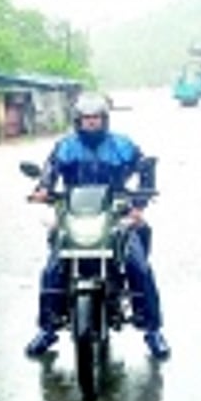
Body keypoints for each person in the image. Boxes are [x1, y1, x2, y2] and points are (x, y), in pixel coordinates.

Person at [24, 93, 171, 360]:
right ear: (77, 121)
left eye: (96, 119)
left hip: (117, 211)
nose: (91, 123)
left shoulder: (122, 145)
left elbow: (145, 167)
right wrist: (43, 189)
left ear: (104, 119)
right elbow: (50, 171)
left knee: (139, 265)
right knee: (52, 268)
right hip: (74, 212)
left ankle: (152, 330)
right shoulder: (65, 146)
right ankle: (48, 327)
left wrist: (139, 203)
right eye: (86, 119)